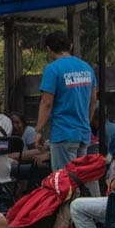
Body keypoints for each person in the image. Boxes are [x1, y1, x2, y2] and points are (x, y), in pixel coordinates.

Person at [35, 31, 98, 183]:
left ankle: (69, 208)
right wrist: (86, 122)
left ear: (49, 50)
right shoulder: (86, 68)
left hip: (63, 134)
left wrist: (39, 130)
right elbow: (93, 99)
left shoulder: (53, 69)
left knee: (65, 182)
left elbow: (47, 103)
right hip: (83, 133)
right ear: (71, 46)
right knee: (82, 178)